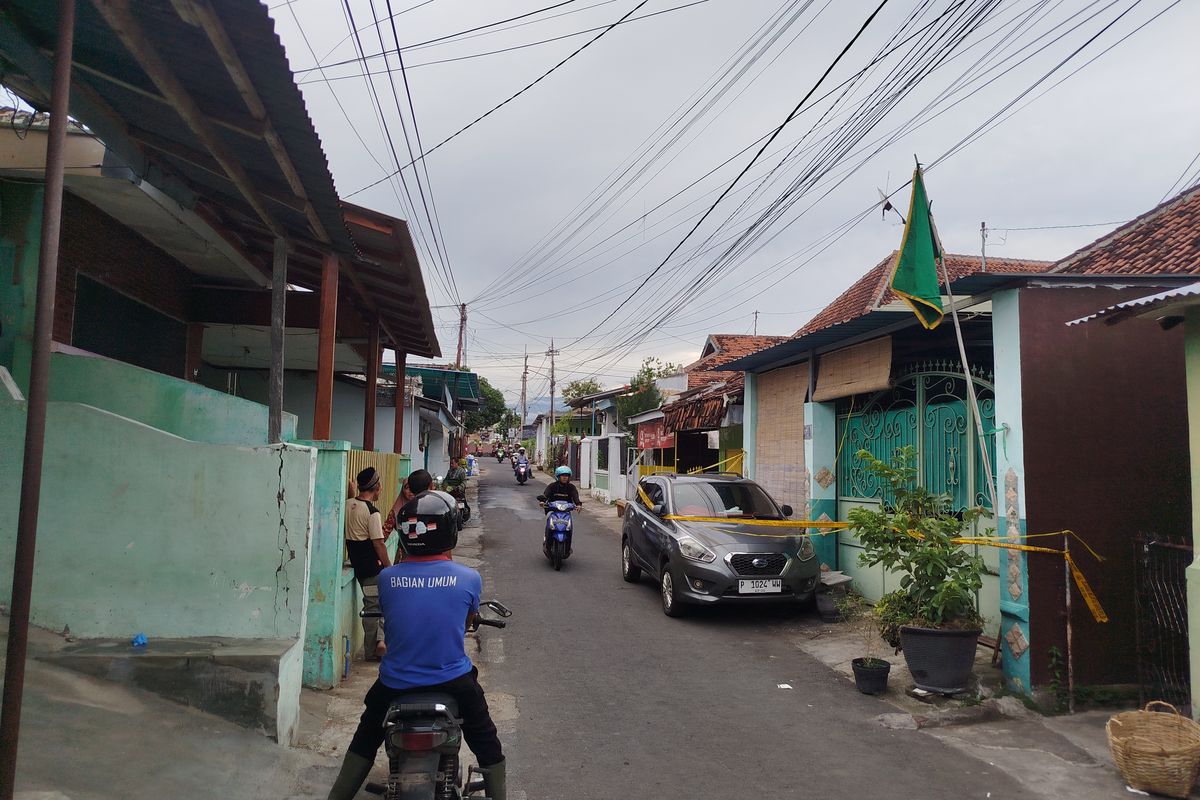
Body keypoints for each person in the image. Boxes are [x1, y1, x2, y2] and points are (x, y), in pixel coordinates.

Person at [326, 469, 506, 800]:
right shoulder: (468, 579)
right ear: (450, 531)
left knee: (366, 735)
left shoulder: (387, 579)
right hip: (452, 679)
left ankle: (337, 795)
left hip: (396, 681)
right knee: (485, 736)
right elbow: (466, 622)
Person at [345, 467, 391, 661]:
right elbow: (378, 543)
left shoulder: (348, 504)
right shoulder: (373, 513)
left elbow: (353, 503)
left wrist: (351, 491)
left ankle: (379, 641)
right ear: (378, 487)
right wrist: (389, 567)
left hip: (357, 562)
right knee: (375, 607)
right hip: (372, 567)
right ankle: (373, 650)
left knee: (378, 603)